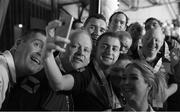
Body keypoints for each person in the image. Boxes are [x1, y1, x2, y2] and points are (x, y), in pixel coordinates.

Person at [44, 31, 121, 111]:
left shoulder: (118, 77)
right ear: (95, 50)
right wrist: (47, 54)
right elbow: (59, 84)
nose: (109, 52)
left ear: (119, 53)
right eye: (104, 46)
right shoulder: (86, 73)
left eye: (115, 49)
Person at [0, 29, 46, 109]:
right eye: (37, 44)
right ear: (18, 44)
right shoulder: (1, 72)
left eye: (46, 52)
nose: (41, 53)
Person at [137, 27, 178, 110]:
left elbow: (174, 83)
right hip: (136, 107)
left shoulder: (166, 61)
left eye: (157, 40)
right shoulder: (133, 59)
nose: (152, 43)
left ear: (162, 43)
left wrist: (166, 93)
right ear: (142, 40)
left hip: (159, 107)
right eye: (148, 38)